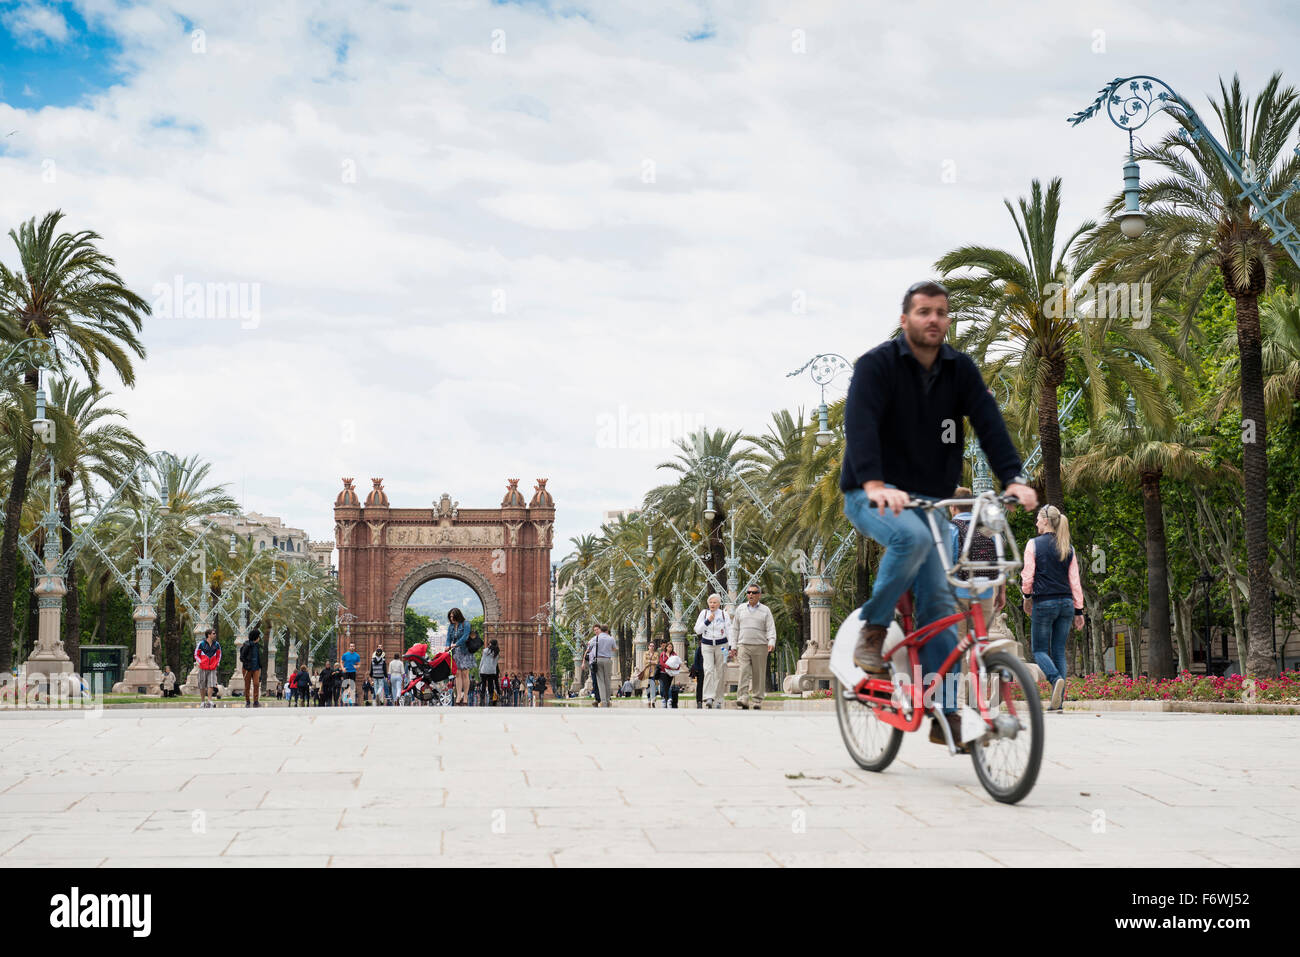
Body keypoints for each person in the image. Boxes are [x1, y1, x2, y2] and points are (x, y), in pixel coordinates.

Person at [840, 280, 1037, 750]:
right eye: (923, 311)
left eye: (941, 312)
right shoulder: (877, 366)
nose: (933, 319)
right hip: (873, 494)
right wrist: (871, 481)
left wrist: (1013, 476)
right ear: (905, 319)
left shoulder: (959, 370)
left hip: (931, 500)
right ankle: (873, 628)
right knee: (912, 538)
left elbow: (988, 421)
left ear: (948, 320)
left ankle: (945, 716)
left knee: (940, 608)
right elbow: (860, 423)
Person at [1022, 504, 1084, 712]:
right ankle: (1059, 700)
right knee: (1058, 650)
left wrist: (1027, 596)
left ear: (1046, 520)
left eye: (1038, 518)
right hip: (1066, 603)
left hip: (1044, 602)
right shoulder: (1068, 547)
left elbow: (1028, 575)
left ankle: (1054, 678)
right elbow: (1074, 581)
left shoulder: (1033, 544)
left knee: (1039, 649)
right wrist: (1079, 610)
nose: (1036, 522)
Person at [948, 486, 1005, 640]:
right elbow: (1000, 561)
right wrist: (1001, 592)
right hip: (984, 593)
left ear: (953, 507)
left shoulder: (949, 529)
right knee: (980, 641)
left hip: (957, 594)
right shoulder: (986, 528)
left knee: (958, 644)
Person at [729, 586, 776, 710]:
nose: (751, 595)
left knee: (758, 674)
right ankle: (742, 698)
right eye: (748, 592)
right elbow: (735, 629)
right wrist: (733, 645)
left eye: (754, 593)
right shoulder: (740, 609)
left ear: (759, 595)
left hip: (760, 646)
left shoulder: (765, 610)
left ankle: (757, 700)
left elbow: (770, 627)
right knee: (743, 672)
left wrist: (771, 641)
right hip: (743, 645)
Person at [692, 593, 731, 709]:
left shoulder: (724, 615)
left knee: (721, 671)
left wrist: (732, 646)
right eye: (710, 602)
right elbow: (697, 630)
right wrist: (707, 621)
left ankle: (718, 699)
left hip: (722, 645)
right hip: (707, 645)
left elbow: (730, 630)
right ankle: (709, 697)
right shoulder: (704, 614)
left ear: (719, 604)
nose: (712, 604)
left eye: (715, 602)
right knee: (708, 670)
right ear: (708, 603)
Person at [447, 609, 473, 705]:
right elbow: (448, 639)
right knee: (457, 673)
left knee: (465, 674)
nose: (451, 618)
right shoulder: (451, 626)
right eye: (450, 617)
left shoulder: (466, 624)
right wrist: (447, 645)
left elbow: (466, 636)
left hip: (465, 651)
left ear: (458, 616)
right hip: (456, 652)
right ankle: (458, 695)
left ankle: (465, 696)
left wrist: (456, 644)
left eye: (453, 616)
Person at [588, 624, 615, 707]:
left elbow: (589, 647)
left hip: (598, 660)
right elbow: (614, 649)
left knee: (600, 681)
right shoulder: (611, 638)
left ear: (601, 630)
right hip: (607, 660)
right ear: (607, 631)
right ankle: (608, 700)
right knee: (607, 680)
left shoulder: (596, 638)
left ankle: (603, 701)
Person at [195, 628, 221, 708]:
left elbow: (219, 655)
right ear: (209, 635)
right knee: (202, 684)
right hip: (203, 667)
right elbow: (196, 654)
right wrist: (200, 662)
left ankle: (209, 700)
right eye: (213, 633)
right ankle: (202, 702)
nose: (215, 635)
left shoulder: (217, 644)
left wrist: (217, 662)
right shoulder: (201, 644)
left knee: (211, 684)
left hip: (212, 667)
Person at [240, 627, 264, 708]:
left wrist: (260, 665)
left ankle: (256, 701)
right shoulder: (247, 645)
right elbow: (242, 657)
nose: (259, 638)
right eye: (258, 636)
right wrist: (247, 665)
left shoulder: (257, 646)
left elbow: (258, 657)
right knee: (247, 685)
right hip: (247, 668)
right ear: (255, 637)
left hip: (256, 668)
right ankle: (247, 701)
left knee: (256, 684)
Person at [480, 639, 501, 705]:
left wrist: (480, 669)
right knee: (490, 684)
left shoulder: (485, 651)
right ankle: (491, 698)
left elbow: (482, 661)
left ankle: (482, 699)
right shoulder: (497, 652)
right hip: (492, 671)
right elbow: (495, 663)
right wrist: (494, 671)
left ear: (490, 644)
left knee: (483, 684)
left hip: (484, 670)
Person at [642, 641, 660, 707]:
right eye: (650, 646)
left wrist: (649, 661)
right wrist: (652, 661)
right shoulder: (645, 653)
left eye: (653, 646)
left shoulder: (656, 653)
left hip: (653, 673)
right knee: (647, 687)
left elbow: (657, 662)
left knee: (654, 687)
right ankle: (649, 700)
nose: (651, 647)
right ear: (648, 647)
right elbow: (644, 661)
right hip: (647, 673)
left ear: (654, 647)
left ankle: (653, 701)